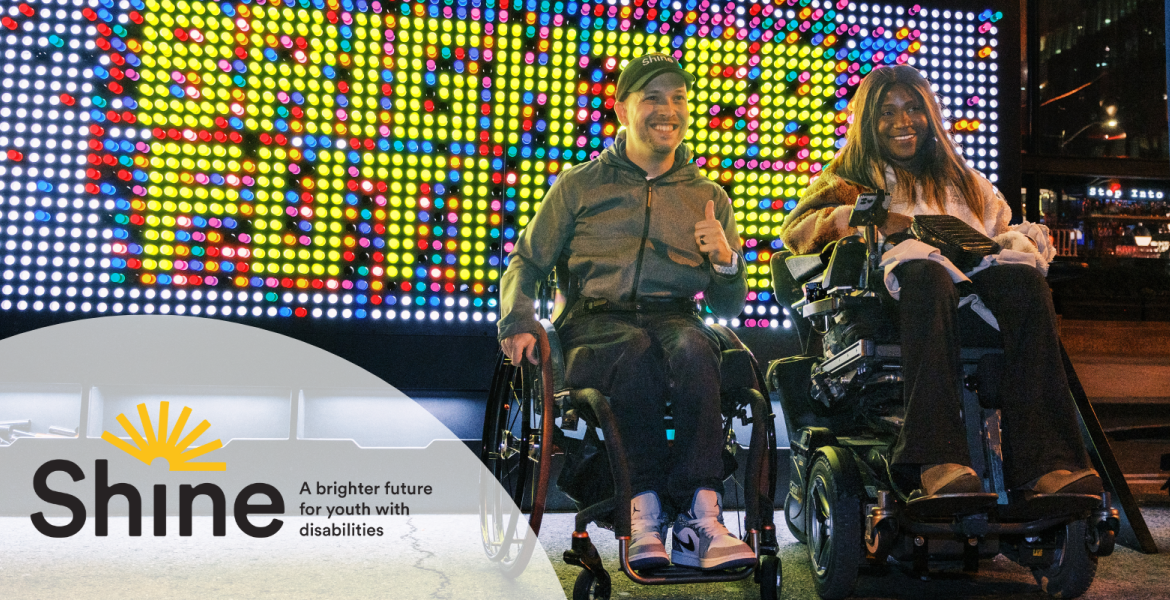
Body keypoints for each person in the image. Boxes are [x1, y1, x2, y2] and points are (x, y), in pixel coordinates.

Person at [779, 65, 1102, 499]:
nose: (902, 121)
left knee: (1026, 285)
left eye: (913, 108)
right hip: (892, 308)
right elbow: (796, 230)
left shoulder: (964, 182)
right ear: (867, 122)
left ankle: (1048, 466)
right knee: (926, 272)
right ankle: (937, 460)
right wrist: (863, 218)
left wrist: (1016, 244)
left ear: (930, 114)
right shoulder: (849, 179)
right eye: (886, 112)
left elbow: (999, 228)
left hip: (969, 304)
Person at [497, 53, 757, 571]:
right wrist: (518, 319)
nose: (669, 110)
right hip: (596, 323)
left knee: (694, 347)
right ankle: (643, 511)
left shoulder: (707, 195)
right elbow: (526, 260)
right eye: (653, 98)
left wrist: (726, 261)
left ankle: (702, 514)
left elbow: (727, 306)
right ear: (621, 109)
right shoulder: (580, 185)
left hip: (675, 319)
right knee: (634, 350)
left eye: (679, 98)